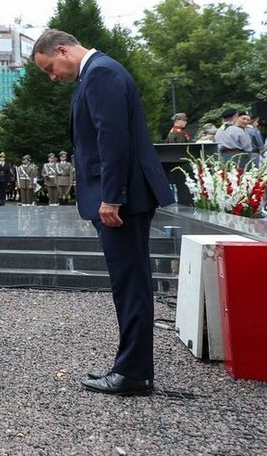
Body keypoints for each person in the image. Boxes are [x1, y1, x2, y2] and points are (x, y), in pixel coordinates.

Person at [33, 29, 173, 396]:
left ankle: (134, 373)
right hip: (123, 197)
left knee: (130, 285)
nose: (52, 77)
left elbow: (112, 140)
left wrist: (112, 198)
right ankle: (132, 368)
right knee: (130, 283)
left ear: (63, 50)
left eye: (50, 68)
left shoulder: (100, 73)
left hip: (121, 201)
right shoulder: (98, 72)